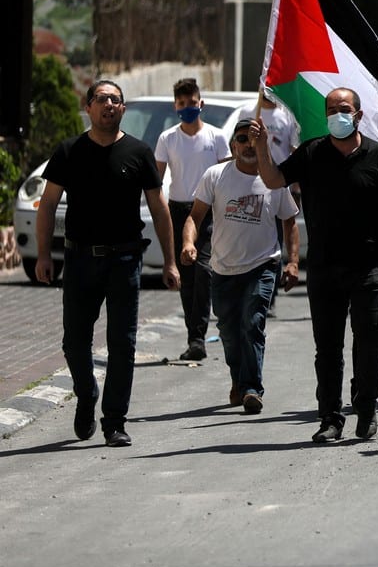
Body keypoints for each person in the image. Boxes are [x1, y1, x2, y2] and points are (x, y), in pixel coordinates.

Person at [254, 87, 378, 443]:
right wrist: (262, 147)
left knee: (370, 340)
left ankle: (366, 409)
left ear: (357, 114)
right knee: (328, 347)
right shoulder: (312, 152)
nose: (337, 114)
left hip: (368, 265)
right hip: (324, 267)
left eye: (344, 108)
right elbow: (274, 179)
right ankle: (330, 418)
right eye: (331, 109)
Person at [36, 80, 181, 447]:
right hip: (80, 259)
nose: (109, 105)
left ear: (123, 109)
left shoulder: (139, 152)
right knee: (74, 342)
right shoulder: (69, 151)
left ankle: (114, 421)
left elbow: (160, 209)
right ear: (88, 107)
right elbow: (49, 204)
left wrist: (170, 261)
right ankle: (87, 394)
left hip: (125, 260)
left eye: (116, 100)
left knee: (123, 343)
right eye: (101, 99)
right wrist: (43, 254)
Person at [181, 119, 300, 414]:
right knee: (229, 332)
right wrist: (188, 243)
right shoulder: (215, 175)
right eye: (243, 139)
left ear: (264, 145)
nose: (249, 144)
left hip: (263, 264)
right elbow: (194, 217)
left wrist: (294, 262)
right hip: (223, 268)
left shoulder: (273, 180)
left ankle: (251, 388)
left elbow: (289, 221)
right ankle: (239, 380)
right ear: (233, 145)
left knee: (252, 321)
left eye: (255, 139)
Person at [154, 78, 230, 361]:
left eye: (192, 102)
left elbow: (226, 176)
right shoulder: (168, 138)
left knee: (204, 270)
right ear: (176, 106)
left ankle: (211, 326)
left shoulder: (217, 137)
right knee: (185, 275)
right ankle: (195, 338)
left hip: (209, 212)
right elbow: (156, 180)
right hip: (178, 211)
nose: (187, 108)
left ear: (201, 104)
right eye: (182, 103)